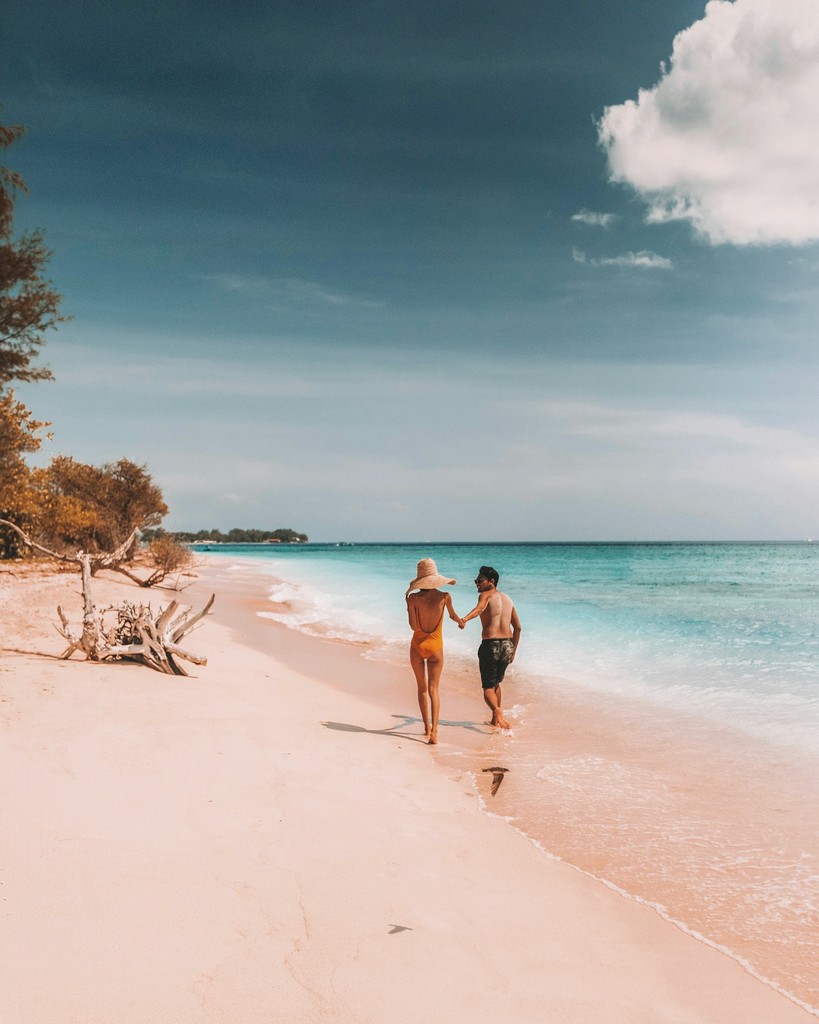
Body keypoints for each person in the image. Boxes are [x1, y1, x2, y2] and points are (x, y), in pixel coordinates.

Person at [406, 557, 463, 745]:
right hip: (436, 648)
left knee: (421, 689)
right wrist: (461, 622)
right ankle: (435, 733)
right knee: (434, 690)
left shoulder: (413, 598)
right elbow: (454, 616)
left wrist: (409, 608)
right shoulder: (445, 597)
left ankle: (426, 728)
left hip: (417, 646)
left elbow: (414, 627)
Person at [459, 565, 521, 730]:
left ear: (491, 582)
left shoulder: (485, 595)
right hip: (508, 644)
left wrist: (464, 619)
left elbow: (479, 610)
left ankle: (496, 711)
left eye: (479, 580)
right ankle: (495, 720)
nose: (476, 583)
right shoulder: (508, 598)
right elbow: (518, 627)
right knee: (496, 683)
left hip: (491, 645)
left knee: (487, 687)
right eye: (476, 580)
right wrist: (514, 649)